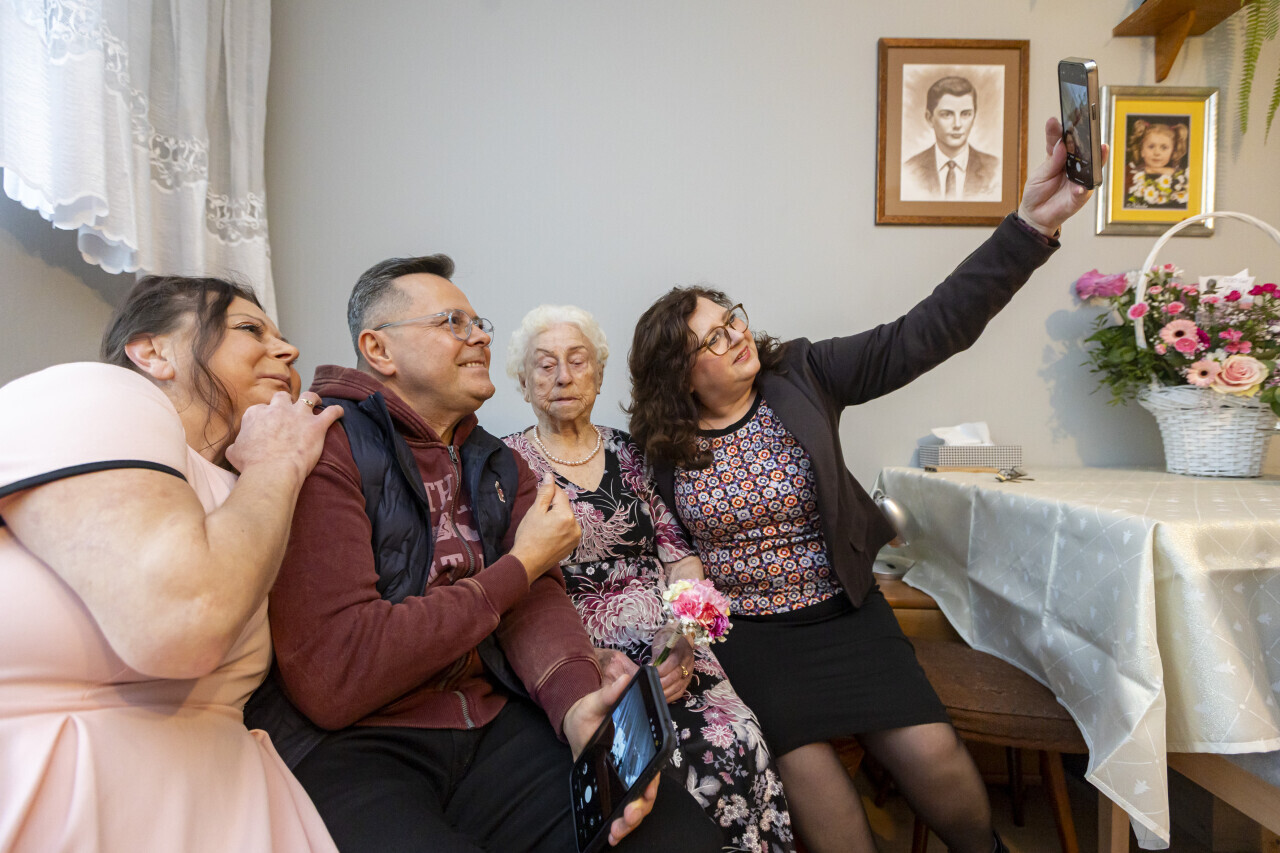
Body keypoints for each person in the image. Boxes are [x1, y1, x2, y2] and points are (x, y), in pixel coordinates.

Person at [626, 118, 1104, 853]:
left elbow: (929, 329)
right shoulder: (659, 447)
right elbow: (662, 553)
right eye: (713, 338)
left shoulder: (805, 373)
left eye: (733, 319)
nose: (737, 335)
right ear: (679, 374)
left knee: (939, 765)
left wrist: (1030, 228)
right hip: (754, 644)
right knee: (829, 812)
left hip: (846, 616)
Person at [251, 255, 724, 853]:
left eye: (479, 323)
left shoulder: (499, 463)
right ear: (379, 349)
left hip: (489, 717)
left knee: (672, 831)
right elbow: (337, 676)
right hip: (359, 745)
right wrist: (519, 565)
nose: (480, 336)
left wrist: (577, 707)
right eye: (453, 322)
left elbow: (538, 602)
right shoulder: (326, 445)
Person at [0, 275, 344, 852]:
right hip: (64, 802)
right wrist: (277, 462)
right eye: (250, 328)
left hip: (230, 807)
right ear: (153, 352)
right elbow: (180, 622)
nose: (289, 350)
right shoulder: (97, 394)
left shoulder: (250, 495)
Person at [502, 305, 795, 853]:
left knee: (738, 737)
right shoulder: (507, 466)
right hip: (580, 653)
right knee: (663, 765)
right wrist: (588, 657)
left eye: (578, 361)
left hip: (668, 645)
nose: (563, 376)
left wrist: (683, 636)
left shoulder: (631, 451)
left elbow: (679, 557)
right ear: (523, 382)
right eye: (545, 365)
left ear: (598, 374)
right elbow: (516, 590)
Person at [901, 75, 1001, 202]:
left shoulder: (995, 170)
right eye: (947, 114)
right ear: (929, 118)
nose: (957, 124)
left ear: (974, 117)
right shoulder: (909, 171)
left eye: (966, 114)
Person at [1124, 118, 1189, 210]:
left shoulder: (1180, 178)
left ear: (1173, 151)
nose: (1157, 153)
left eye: (1164, 148)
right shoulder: (1130, 174)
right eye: (1151, 147)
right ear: (1142, 150)